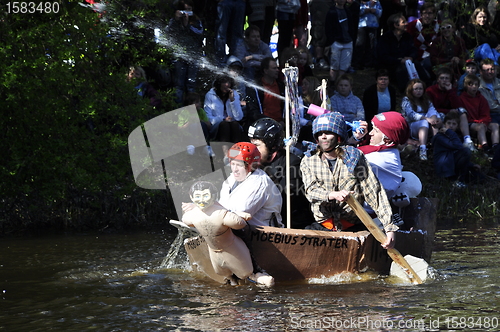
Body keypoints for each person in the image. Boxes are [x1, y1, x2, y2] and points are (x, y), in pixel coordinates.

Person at [299, 112, 398, 249]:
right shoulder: (309, 160)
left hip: (353, 226)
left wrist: (389, 227)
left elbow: (374, 192)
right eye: (320, 133)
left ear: (338, 136)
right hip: (323, 226)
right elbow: (311, 191)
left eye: (328, 132)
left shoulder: (354, 157)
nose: (323, 136)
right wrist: (333, 195)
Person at [182, 181, 274, 286]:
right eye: (197, 196)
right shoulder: (193, 215)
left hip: (232, 250)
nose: (201, 200)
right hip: (215, 253)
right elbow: (186, 220)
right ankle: (234, 281)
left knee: (247, 273)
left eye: (205, 195)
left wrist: (234, 214)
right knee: (225, 275)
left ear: (213, 196)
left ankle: (257, 275)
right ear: (191, 197)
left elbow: (240, 223)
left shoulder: (221, 214)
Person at [247, 118, 313, 228]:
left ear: (272, 145)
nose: (252, 150)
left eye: (257, 145)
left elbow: (285, 200)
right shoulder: (254, 163)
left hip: (289, 224)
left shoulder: (291, 163)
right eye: (251, 144)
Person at [356, 112, 411, 221]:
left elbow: (339, 159)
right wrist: (359, 138)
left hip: (360, 213)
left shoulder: (380, 159)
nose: (370, 133)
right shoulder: (387, 151)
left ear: (388, 140)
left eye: (375, 131)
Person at [219, 142, 283, 227]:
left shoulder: (260, 183)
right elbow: (222, 205)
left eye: (239, 165)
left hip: (262, 235)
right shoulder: (232, 179)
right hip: (239, 231)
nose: (234, 169)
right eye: (233, 164)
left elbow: (238, 215)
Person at [377, 13, 429, 92]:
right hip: (392, 65)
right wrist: (399, 60)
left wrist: (411, 57)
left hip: (407, 62)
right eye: (403, 22)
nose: (406, 24)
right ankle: (406, 90)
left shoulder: (407, 36)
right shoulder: (385, 38)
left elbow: (413, 49)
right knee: (401, 69)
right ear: (396, 25)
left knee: (417, 64)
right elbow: (383, 56)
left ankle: (427, 86)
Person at [426, 66, 475, 151]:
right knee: (438, 116)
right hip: (437, 113)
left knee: (462, 111)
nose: (444, 80)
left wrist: (450, 91)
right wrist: (447, 111)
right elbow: (430, 108)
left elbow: (458, 105)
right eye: (442, 78)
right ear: (438, 80)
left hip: (450, 113)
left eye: (447, 78)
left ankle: (467, 140)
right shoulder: (430, 90)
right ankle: (438, 142)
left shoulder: (452, 90)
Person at [167, 0, 203, 104]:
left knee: (191, 84)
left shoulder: (196, 21)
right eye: (185, 9)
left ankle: (191, 109)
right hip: (179, 57)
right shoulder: (174, 21)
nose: (187, 12)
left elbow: (199, 32)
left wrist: (187, 25)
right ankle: (177, 108)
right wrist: (176, 19)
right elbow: (168, 32)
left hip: (193, 56)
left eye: (189, 9)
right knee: (179, 85)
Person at [432, 113, 478, 187]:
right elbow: (459, 147)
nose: (451, 126)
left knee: (478, 176)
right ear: (444, 124)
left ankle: (463, 181)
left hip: (451, 164)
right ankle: (458, 181)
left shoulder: (453, 136)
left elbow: (456, 154)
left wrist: (471, 165)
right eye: (449, 123)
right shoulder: (440, 137)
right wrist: (449, 132)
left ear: (457, 126)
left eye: (454, 124)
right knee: (466, 151)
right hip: (445, 169)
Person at [459, 74, 500, 156]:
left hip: (482, 121)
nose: (474, 87)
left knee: (495, 125)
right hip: (470, 123)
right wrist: (479, 123)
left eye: (476, 85)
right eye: (471, 85)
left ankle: (496, 146)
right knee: (480, 127)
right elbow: (464, 115)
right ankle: (485, 147)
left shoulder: (481, 98)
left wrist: (483, 121)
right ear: (466, 86)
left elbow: (485, 113)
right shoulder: (461, 98)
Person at [401, 78, 441, 161]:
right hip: (411, 126)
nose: (418, 91)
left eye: (420, 89)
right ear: (411, 90)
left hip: (427, 126)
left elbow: (432, 110)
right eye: (416, 89)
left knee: (435, 120)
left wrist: (433, 118)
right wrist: (426, 119)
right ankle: (423, 149)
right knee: (424, 122)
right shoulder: (406, 100)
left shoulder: (426, 100)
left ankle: (438, 146)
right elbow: (411, 115)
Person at [204, 75, 244, 152]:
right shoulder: (210, 95)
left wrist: (232, 100)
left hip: (233, 125)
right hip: (216, 127)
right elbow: (208, 117)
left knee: (235, 124)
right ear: (218, 84)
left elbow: (239, 117)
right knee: (225, 124)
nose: (227, 85)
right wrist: (223, 119)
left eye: (228, 82)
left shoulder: (234, 94)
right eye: (224, 82)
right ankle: (226, 155)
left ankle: (235, 154)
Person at [325, 0, 357, 83]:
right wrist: (331, 40)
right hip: (336, 42)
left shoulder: (348, 11)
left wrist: (352, 37)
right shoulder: (331, 12)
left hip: (348, 41)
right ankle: (332, 82)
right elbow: (328, 28)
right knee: (334, 65)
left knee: (344, 66)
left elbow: (352, 26)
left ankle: (340, 83)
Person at [246, 57, 285, 124]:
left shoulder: (281, 86)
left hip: (281, 123)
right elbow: (253, 111)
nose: (277, 70)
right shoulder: (255, 88)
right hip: (264, 124)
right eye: (274, 68)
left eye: (277, 68)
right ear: (265, 71)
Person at [406, 2, 439, 77]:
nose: (427, 16)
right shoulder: (413, 25)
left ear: (434, 15)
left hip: (436, 55)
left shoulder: (439, 25)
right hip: (419, 56)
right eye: (425, 13)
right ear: (421, 14)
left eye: (430, 13)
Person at [214, 0, 246, 66]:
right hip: (225, 2)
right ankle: (221, 61)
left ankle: (236, 60)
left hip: (240, 2)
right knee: (221, 32)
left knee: (237, 34)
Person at [352, 0, 382, 70]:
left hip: (373, 26)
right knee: (360, 43)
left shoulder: (376, 2)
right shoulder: (358, 2)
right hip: (362, 26)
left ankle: (368, 64)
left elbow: (380, 13)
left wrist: (374, 11)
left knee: (371, 45)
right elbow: (356, 12)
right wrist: (365, 11)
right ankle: (357, 63)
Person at [309, 0, 334, 70]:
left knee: (330, 28)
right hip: (320, 4)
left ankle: (325, 58)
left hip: (330, 4)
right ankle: (319, 59)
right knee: (319, 31)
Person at [478, 58, 500, 126]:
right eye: (487, 70)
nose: (490, 72)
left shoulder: (498, 82)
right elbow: (489, 106)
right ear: (481, 72)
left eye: (492, 69)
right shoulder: (477, 85)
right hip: (489, 115)